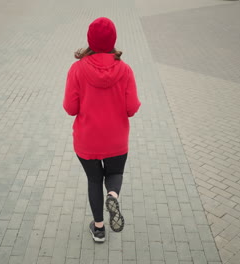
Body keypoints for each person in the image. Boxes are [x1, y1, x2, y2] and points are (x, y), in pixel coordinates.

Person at [63, 17, 141, 243]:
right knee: (115, 173)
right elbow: (132, 108)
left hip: (87, 140)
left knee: (94, 180)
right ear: (113, 40)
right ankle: (113, 195)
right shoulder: (125, 70)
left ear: (90, 40)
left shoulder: (77, 70)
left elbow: (70, 108)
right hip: (116, 139)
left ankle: (98, 229)